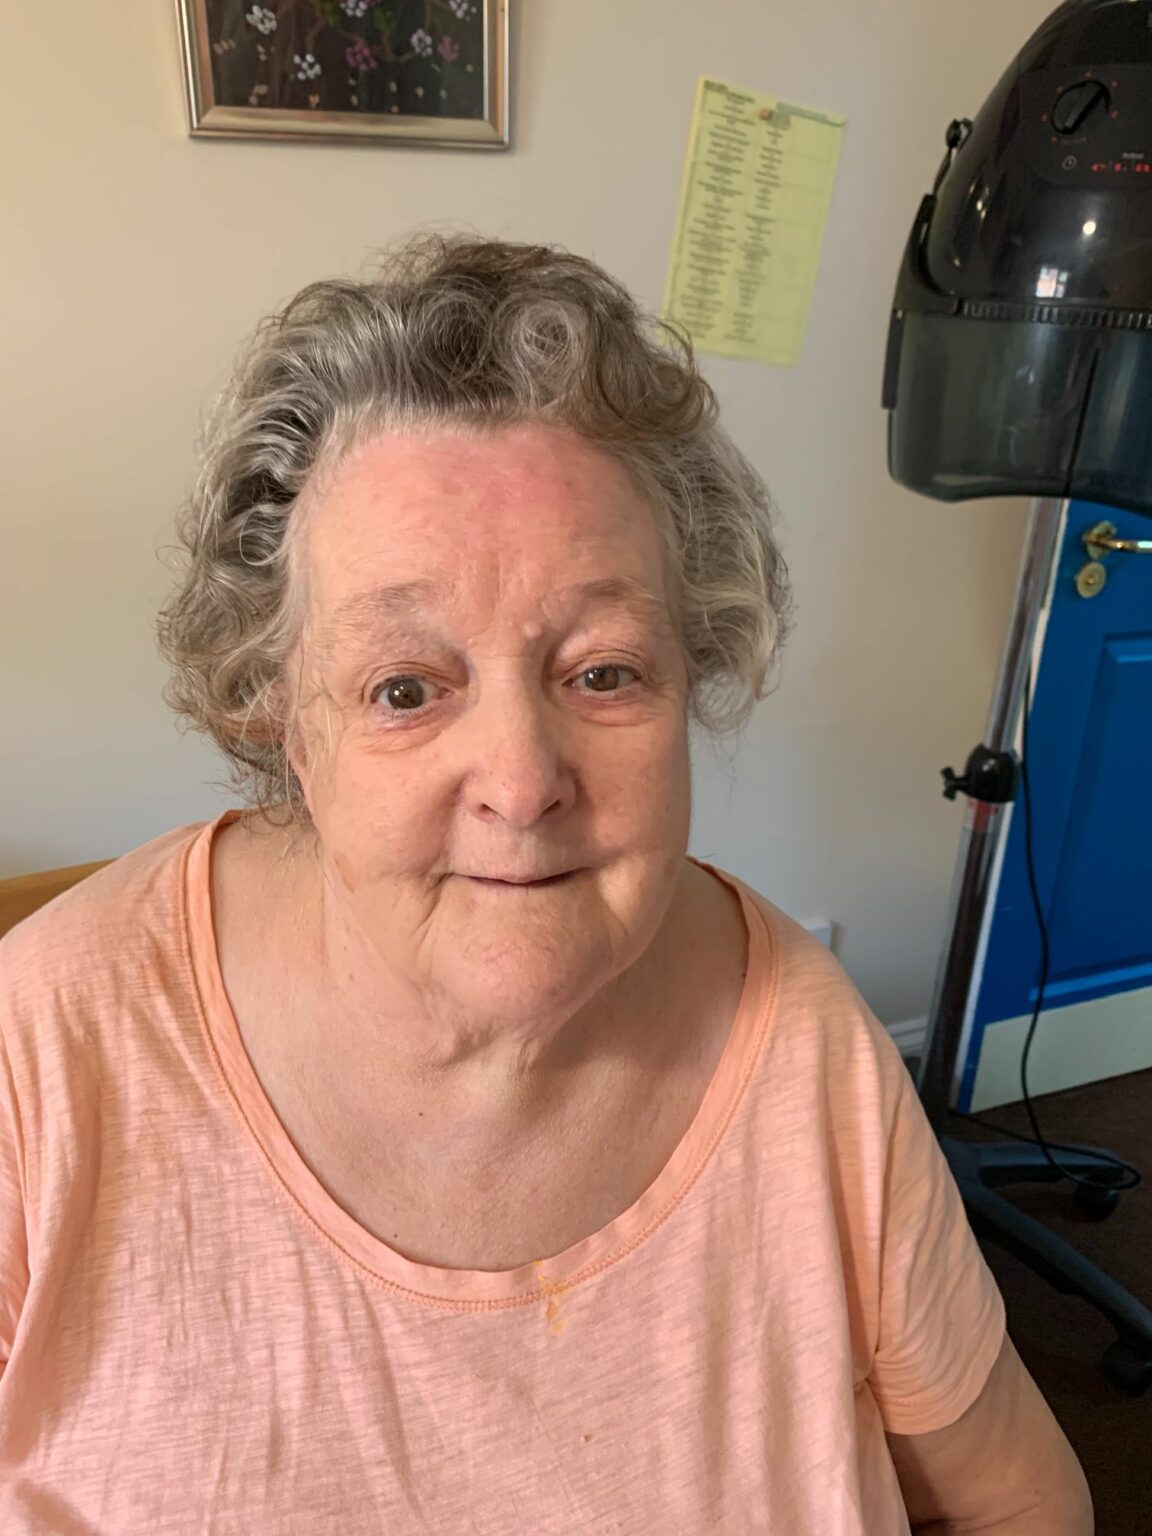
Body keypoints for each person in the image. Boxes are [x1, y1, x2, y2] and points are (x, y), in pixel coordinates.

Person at [0, 235, 1091, 1534]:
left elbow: (1020, 1502)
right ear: (284, 720)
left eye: (604, 672)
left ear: (693, 673)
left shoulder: (809, 1049)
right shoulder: (43, 1050)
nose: (521, 783)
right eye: (406, 688)